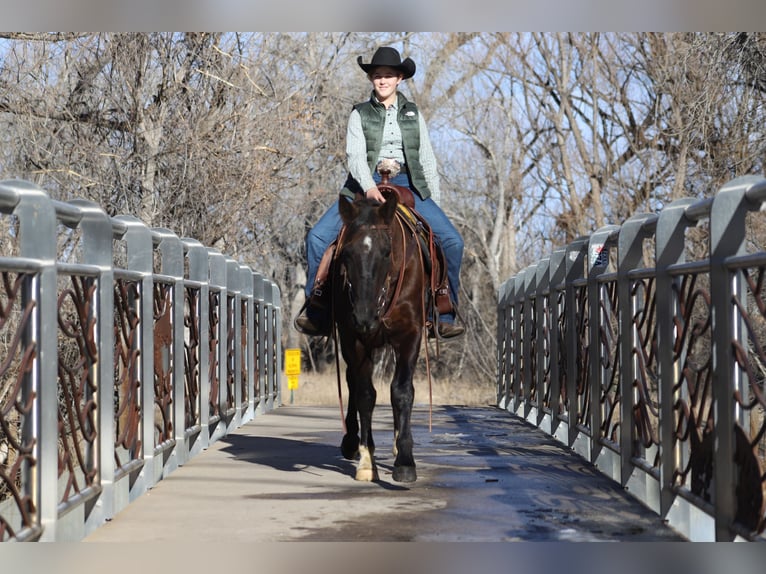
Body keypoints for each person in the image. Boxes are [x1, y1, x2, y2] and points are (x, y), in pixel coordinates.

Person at [295, 46, 464, 339]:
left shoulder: (413, 114)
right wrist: (369, 188)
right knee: (318, 237)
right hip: (364, 182)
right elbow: (356, 157)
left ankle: (444, 311)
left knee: (452, 241)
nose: (382, 80)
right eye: (377, 76)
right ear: (371, 79)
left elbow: (426, 158)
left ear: (399, 78)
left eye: (388, 75)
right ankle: (318, 308)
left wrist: (431, 199)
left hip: (409, 183)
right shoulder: (359, 114)